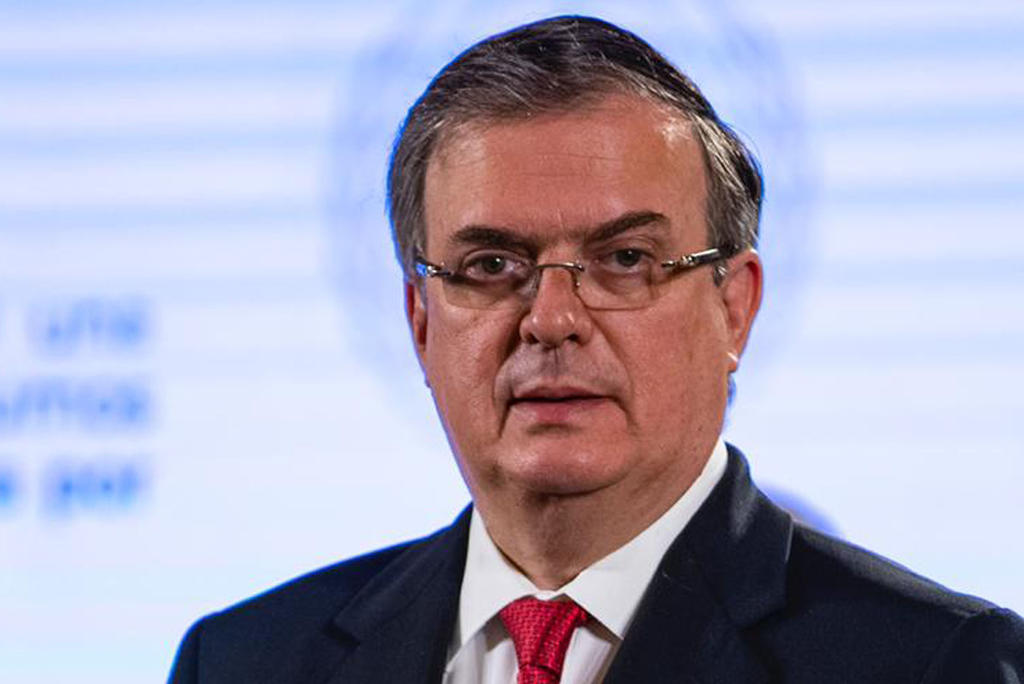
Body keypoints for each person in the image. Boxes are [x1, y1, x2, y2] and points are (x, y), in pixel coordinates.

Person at [169, 15, 1024, 683]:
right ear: (420, 321)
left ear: (734, 308)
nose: (551, 319)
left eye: (624, 260)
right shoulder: (245, 662)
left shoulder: (934, 664)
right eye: (491, 265)